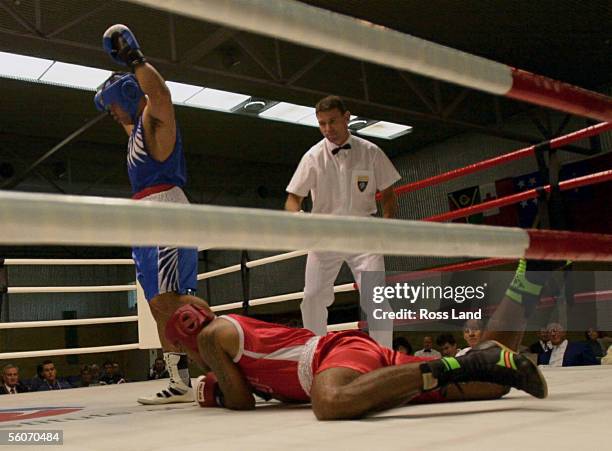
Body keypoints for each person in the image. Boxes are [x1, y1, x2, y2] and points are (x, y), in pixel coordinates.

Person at [163, 260, 550, 420]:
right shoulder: (223, 335)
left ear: (188, 333)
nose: (187, 359)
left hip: (330, 357)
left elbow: (241, 402)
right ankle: (531, 278)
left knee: (329, 403)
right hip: (348, 360)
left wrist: (212, 385)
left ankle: (468, 362)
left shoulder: (212, 337)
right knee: (490, 385)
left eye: (181, 351)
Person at [94, 24, 203, 404]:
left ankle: (230, 350)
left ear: (128, 95)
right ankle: (179, 382)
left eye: (113, 104)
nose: (110, 113)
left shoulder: (157, 123)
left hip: (164, 212)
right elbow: (127, 118)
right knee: (159, 303)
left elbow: (159, 92)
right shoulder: (136, 130)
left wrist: (134, 59)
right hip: (147, 213)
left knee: (170, 301)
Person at [285, 95, 400, 347]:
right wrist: (301, 220)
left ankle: (385, 357)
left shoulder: (371, 152)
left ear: (347, 118)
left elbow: (389, 196)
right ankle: (313, 356)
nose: (328, 129)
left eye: (333, 122)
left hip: (365, 233)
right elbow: (292, 200)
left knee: (376, 298)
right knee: (313, 297)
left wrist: (388, 228)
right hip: (325, 234)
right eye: (322, 123)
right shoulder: (313, 157)